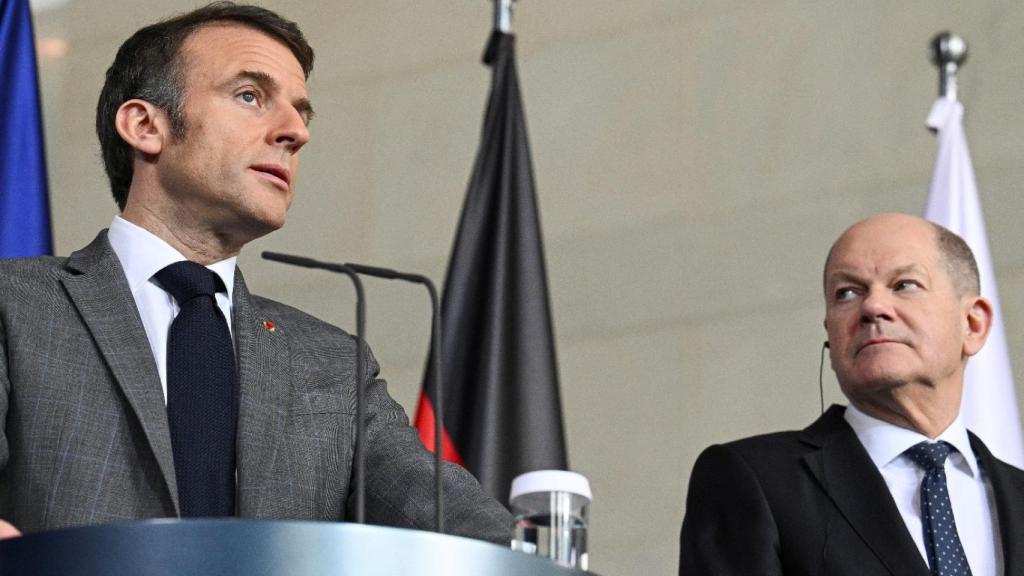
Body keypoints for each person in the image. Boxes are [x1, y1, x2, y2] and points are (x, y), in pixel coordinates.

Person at [0, 2, 511, 544]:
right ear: (146, 125)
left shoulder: (333, 365)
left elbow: (466, 531)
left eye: (301, 112)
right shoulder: (17, 305)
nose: (295, 132)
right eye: (250, 96)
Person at [679, 213, 1024, 575]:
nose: (873, 307)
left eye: (904, 285)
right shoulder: (757, 480)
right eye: (847, 293)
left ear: (973, 323)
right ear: (830, 333)